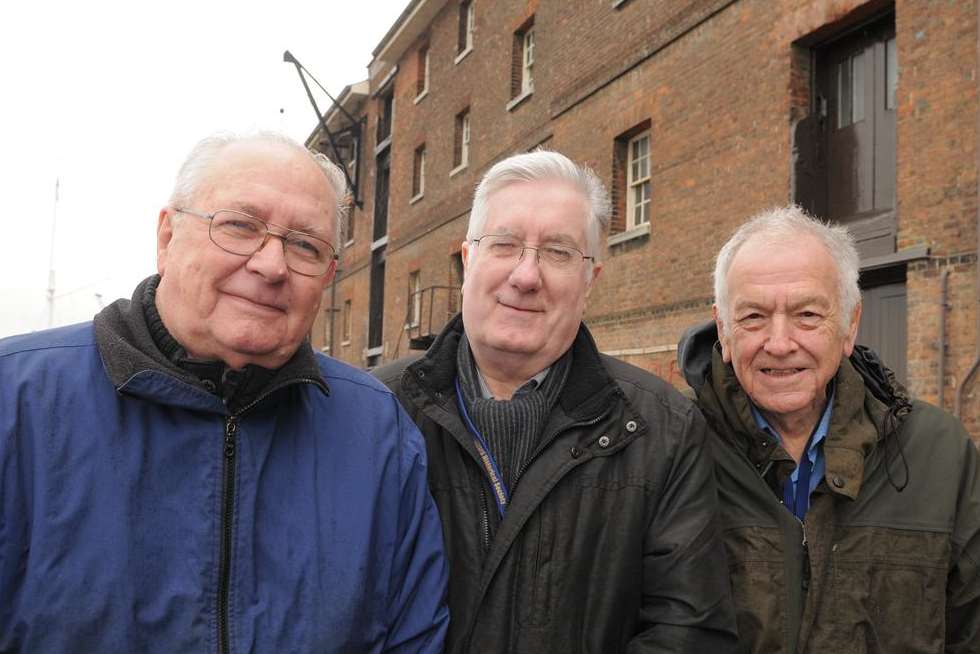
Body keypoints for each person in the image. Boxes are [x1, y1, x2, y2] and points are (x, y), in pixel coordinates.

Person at [0, 133, 448, 653]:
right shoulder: (16, 401)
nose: (271, 265)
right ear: (167, 237)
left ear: (327, 276)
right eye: (239, 226)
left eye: (305, 244)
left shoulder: (377, 433)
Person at [375, 150, 737, 653]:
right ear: (467, 260)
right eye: (504, 245)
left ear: (591, 281)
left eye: (558, 252)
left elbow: (688, 633)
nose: (526, 276)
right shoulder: (374, 413)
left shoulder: (665, 429)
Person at [677, 205, 980, 653]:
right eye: (753, 317)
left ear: (849, 325)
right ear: (723, 328)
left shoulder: (940, 453)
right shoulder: (672, 449)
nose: (780, 344)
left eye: (808, 315)